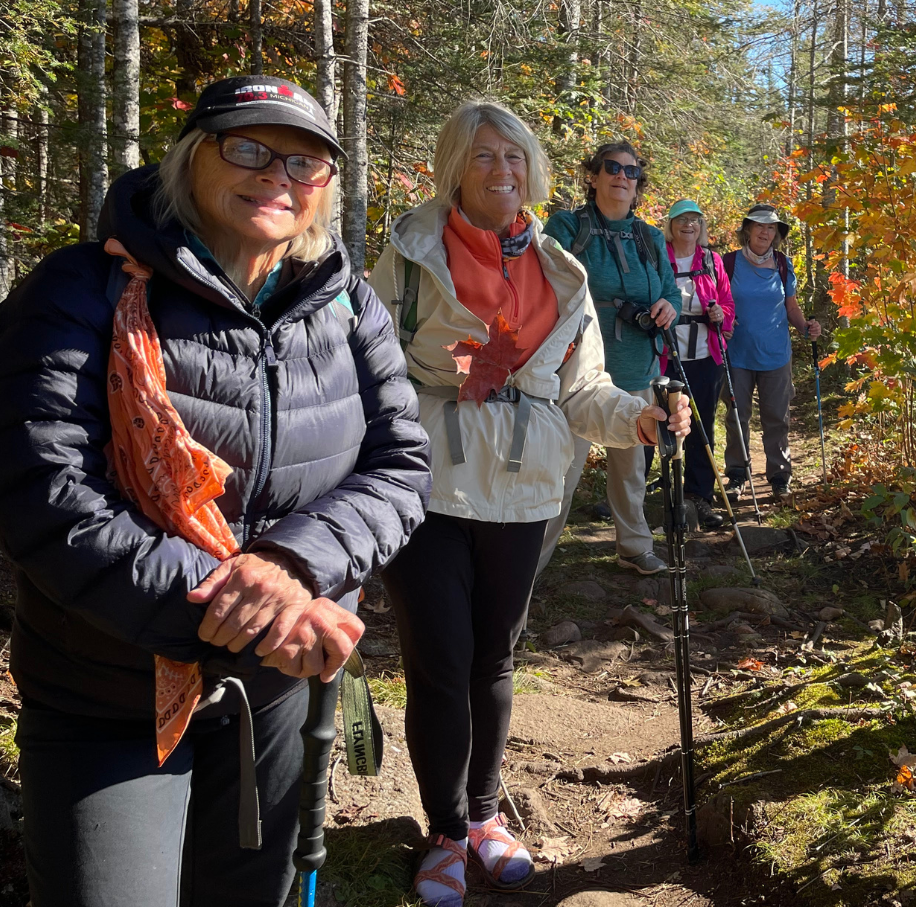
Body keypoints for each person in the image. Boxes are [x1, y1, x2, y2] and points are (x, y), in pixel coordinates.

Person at [0, 75, 432, 907]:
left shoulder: (347, 307)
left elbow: (402, 467)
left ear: (324, 189)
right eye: (247, 148)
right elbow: (41, 493)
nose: (276, 175)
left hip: (272, 699)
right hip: (107, 698)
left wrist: (294, 565)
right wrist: (254, 613)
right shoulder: (79, 291)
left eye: (305, 162)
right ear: (191, 159)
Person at [370, 104, 688, 906]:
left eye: (514, 156)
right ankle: (445, 831)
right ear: (455, 165)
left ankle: (484, 815)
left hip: (527, 493)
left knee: (494, 658)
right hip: (430, 485)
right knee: (439, 661)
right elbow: (365, 366)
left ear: (533, 168)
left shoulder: (560, 270)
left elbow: (582, 391)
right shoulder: (408, 255)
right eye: (484, 157)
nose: (502, 171)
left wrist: (640, 414)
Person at [538, 141, 681, 576]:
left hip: (638, 366)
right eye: (612, 168)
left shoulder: (650, 237)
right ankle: (526, 565)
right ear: (594, 175)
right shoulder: (565, 227)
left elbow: (671, 293)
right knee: (558, 476)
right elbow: (540, 285)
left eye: (631, 172)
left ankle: (634, 547)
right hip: (574, 375)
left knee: (631, 469)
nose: (622, 176)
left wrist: (668, 307)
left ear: (639, 185)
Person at [722, 203, 821, 499]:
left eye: (770, 227)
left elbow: (790, 306)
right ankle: (737, 474)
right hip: (737, 352)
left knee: (777, 417)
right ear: (748, 229)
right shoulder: (728, 263)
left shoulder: (782, 264)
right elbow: (720, 303)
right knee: (737, 416)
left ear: (776, 233)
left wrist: (806, 327)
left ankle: (779, 475)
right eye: (759, 225)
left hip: (776, 354)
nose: (765, 232)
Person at [659, 199, 735, 529]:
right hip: (665, 355)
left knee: (701, 427)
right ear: (671, 225)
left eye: (694, 220)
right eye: (681, 219)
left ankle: (699, 497)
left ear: (701, 225)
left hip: (705, 356)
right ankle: (653, 495)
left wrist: (721, 314)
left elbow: (728, 305)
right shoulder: (659, 256)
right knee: (659, 424)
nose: (688, 225)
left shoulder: (712, 260)